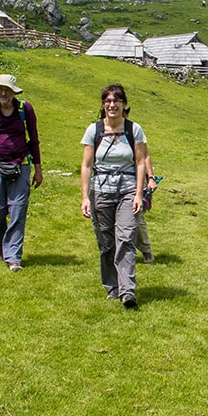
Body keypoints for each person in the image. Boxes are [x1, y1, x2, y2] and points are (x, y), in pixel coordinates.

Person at [80, 84, 148, 308]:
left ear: (123, 104)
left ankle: (128, 291)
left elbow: (140, 162)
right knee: (106, 242)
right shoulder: (94, 130)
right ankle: (112, 286)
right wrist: (85, 197)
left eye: (117, 101)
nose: (112, 105)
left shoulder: (134, 129)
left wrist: (139, 193)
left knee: (126, 237)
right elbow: (87, 165)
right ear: (103, 104)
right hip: (100, 191)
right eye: (108, 101)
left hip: (127, 190)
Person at [0, 74, 43, 271]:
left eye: (8, 90)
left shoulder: (25, 109)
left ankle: (13, 258)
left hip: (21, 165)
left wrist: (38, 169)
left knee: (18, 210)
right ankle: (0, 247)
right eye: (0, 89)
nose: (3, 93)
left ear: (14, 92)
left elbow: (34, 140)